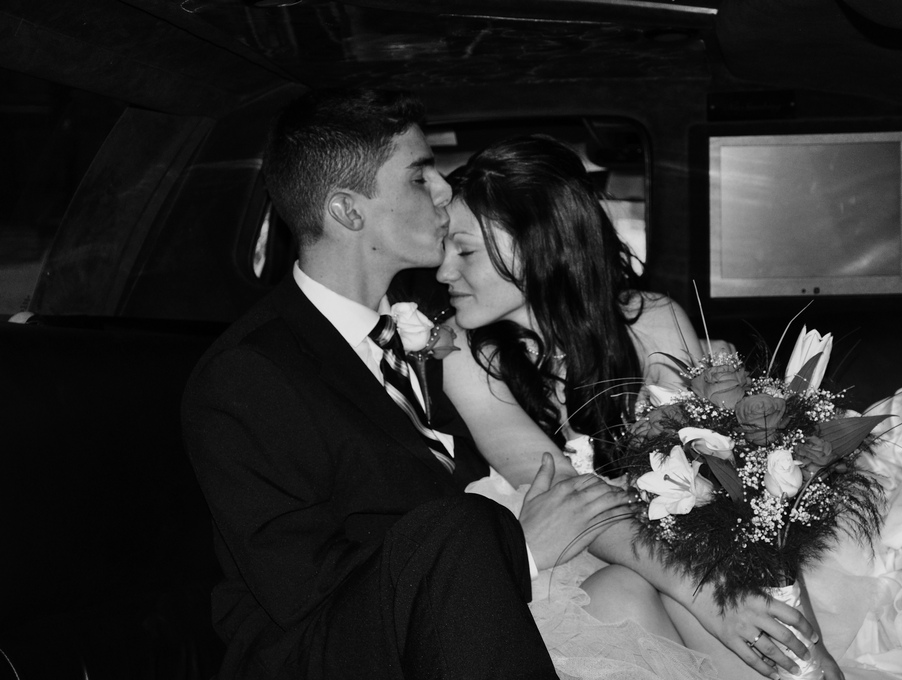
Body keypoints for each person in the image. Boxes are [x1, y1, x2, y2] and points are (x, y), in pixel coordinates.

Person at [181, 89, 634, 680]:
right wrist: (516, 550)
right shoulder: (249, 375)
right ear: (348, 212)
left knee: (630, 596)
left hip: (468, 619)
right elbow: (301, 587)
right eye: (421, 177)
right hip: (331, 653)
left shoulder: (433, 321)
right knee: (462, 526)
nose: (446, 190)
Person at [436, 135, 842, 680]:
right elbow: (571, 499)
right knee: (628, 592)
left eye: (463, 250)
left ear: (539, 244)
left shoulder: (655, 320)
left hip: (687, 552)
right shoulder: (466, 355)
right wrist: (706, 596)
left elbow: (738, 489)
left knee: (725, 573)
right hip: (568, 561)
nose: (443, 271)